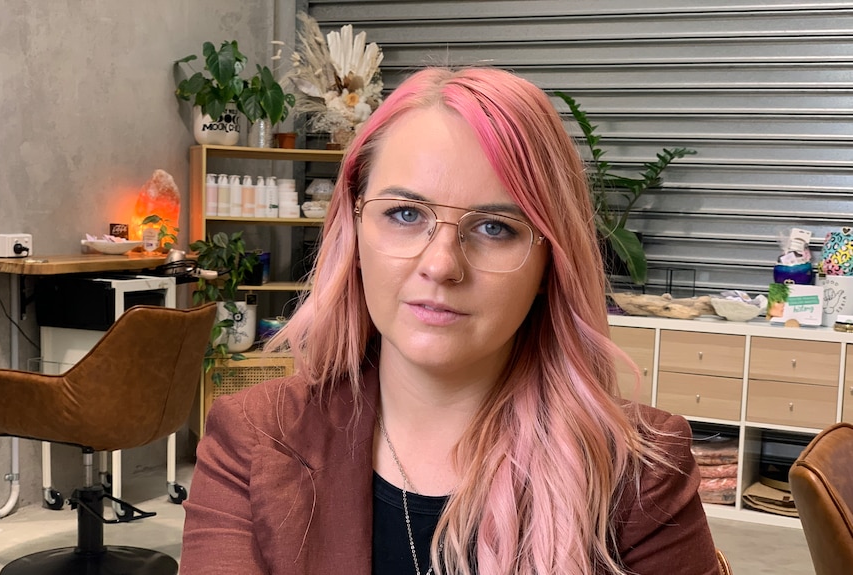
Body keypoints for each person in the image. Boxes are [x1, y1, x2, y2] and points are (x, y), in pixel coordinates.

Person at [180, 67, 719, 575]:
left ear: (549, 263)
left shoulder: (639, 474)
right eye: (405, 214)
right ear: (356, 233)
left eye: (495, 227)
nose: (440, 265)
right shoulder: (252, 441)